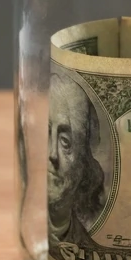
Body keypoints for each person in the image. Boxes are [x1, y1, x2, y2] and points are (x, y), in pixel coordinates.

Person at [47, 72, 107, 250]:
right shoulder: (33, 227)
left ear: (83, 163)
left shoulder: (86, 245)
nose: (52, 154)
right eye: (46, 133)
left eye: (65, 142)